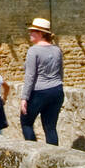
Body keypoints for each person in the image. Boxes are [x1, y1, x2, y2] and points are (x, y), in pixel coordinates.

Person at [19, 17, 64, 145]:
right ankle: (53, 157)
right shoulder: (57, 50)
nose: (30, 33)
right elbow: (61, 73)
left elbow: (30, 76)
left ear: (41, 33)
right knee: (50, 127)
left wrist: (24, 98)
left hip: (39, 92)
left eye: (33, 31)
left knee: (26, 122)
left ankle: (33, 150)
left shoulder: (33, 51)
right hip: (57, 90)